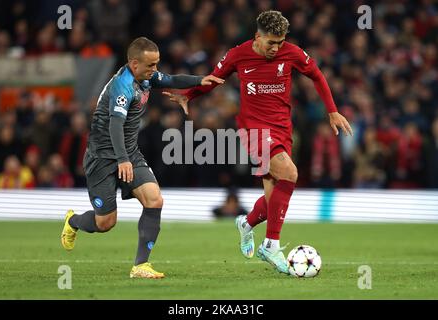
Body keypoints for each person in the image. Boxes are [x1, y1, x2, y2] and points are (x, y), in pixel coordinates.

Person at [164, 11, 353, 274]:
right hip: (253, 128)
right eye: (271, 43)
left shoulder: (292, 52)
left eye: (280, 42)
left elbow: (317, 76)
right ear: (257, 36)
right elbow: (214, 79)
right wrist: (190, 95)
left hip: (283, 128)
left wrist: (332, 110)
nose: (276, 48)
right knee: (290, 173)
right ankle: (271, 246)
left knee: (274, 199)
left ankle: (246, 223)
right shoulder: (237, 54)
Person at [60, 36, 223, 279]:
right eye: (151, 65)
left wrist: (201, 80)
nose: (155, 70)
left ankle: (140, 266)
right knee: (105, 223)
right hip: (103, 158)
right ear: (134, 64)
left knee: (154, 200)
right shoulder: (122, 87)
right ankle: (73, 221)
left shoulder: (145, 77)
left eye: (156, 64)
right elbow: (116, 126)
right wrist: (122, 159)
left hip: (129, 154)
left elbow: (171, 79)